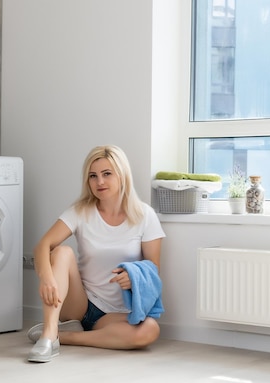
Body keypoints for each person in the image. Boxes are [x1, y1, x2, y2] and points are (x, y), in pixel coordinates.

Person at [27, 145, 166, 363]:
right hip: (81, 304)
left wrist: (134, 276)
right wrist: (46, 278)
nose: (99, 182)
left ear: (122, 175)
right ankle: (49, 334)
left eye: (106, 174)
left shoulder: (145, 215)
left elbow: (153, 270)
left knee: (150, 330)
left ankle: (64, 336)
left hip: (116, 315)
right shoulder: (81, 211)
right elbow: (42, 245)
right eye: (93, 176)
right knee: (61, 252)